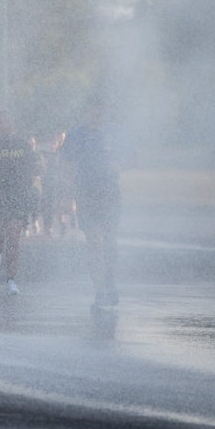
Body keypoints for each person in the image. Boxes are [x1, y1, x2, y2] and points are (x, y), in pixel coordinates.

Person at [61, 101, 136, 311]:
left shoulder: (115, 132)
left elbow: (133, 158)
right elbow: (64, 162)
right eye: (92, 110)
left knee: (110, 241)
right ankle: (99, 290)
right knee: (93, 241)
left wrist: (119, 164)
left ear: (106, 111)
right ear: (86, 111)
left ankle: (110, 280)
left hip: (110, 194)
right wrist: (70, 186)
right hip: (86, 194)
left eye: (100, 110)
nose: (96, 114)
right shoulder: (76, 134)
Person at [0, 110, 37, 296]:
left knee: (14, 239)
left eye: (7, 122)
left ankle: (11, 279)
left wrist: (25, 191)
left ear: (13, 124)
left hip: (16, 198)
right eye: (0, 121)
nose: (4, 125)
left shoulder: (22, 145)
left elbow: (33, 171)